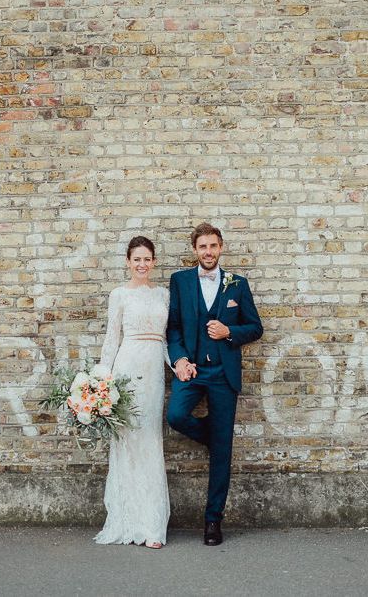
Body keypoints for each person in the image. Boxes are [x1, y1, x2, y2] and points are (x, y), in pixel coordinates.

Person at [166, 223, 263, 546]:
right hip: (192, 370)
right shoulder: (180, 281)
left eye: (213, 246)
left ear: (221, 248)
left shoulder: (238, 284)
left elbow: (255, 327)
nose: (208, 252)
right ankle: (212, 436)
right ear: (195, 250)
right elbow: (174, 327)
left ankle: (213, 521)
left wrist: (229, 333)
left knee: (221, 456)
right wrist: (179, 360)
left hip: (223, 373)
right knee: (176, 416)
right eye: (202, 246)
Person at [94, 236, 170, 549]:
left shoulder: (164, 294)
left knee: (150, 439)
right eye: (136, 259)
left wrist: (176, 364)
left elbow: (166, 339)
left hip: (153, 371)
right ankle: (127, 519)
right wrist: (101, 380)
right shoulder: (119, 294)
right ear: (128, 261)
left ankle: (152, 525)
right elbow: (112, 338)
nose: (142, 264)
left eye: (147, 259)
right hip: (126, 369)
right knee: (128, 440)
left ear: (153, 262)